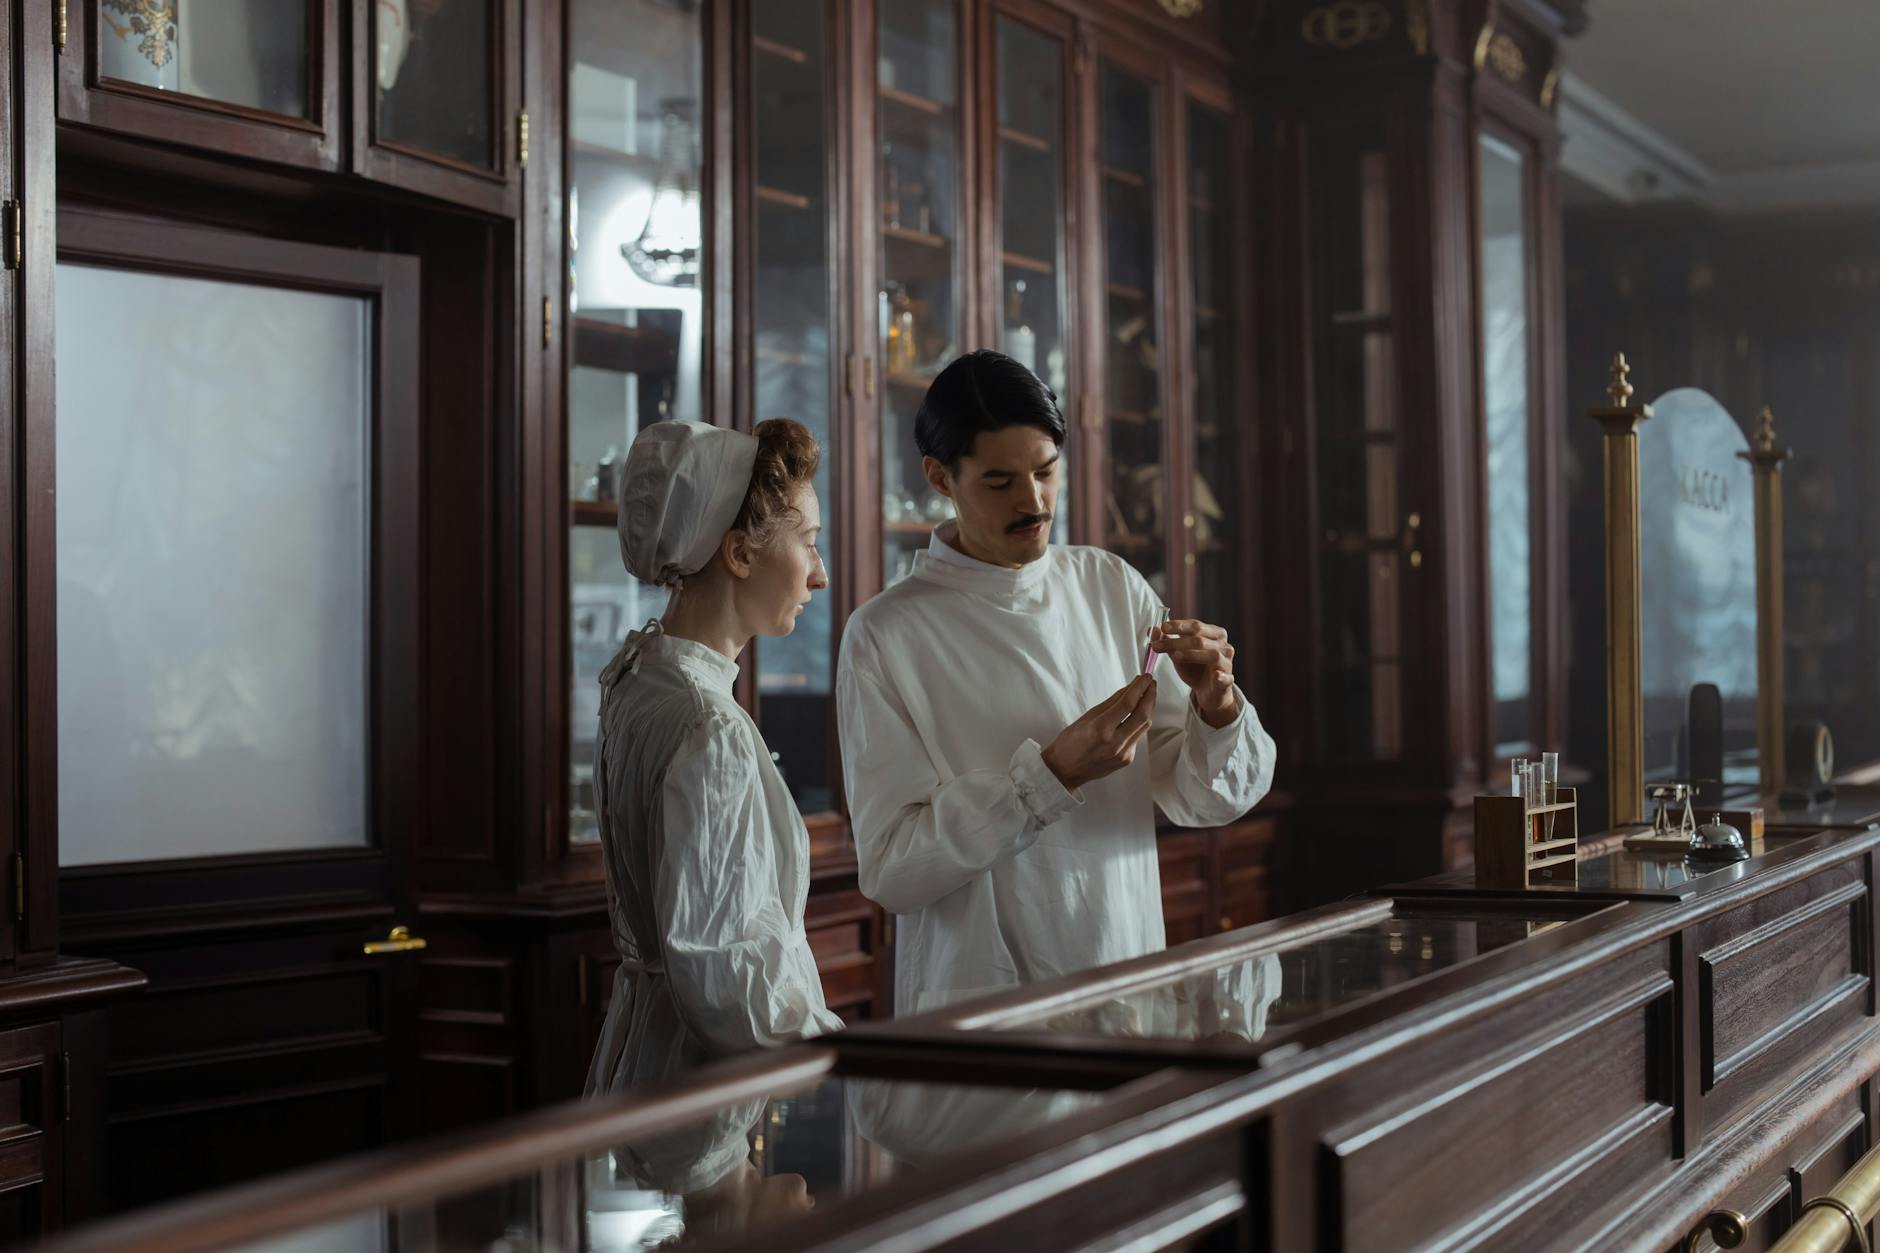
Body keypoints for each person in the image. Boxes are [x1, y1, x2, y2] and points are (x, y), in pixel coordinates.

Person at [836, 350, 1276, 1015]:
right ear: (939, 477)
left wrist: (1215, 705)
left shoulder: (1109, 586)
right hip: (987, 1018)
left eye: (1047, 471)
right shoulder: (886, 634)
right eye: (1000, 481)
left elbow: (1205, 800)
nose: (1034, 501)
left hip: (1128, 975)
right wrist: (1049, 776)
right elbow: (893, 867)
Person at [586, 418, 842, 1100]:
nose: (820, 574)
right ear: (738, 552)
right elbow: (724, 979)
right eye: (809, 543)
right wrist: (846, 1062)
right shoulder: (709, 726)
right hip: (701, 1083)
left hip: (641, 1057)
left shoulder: (637, 678)